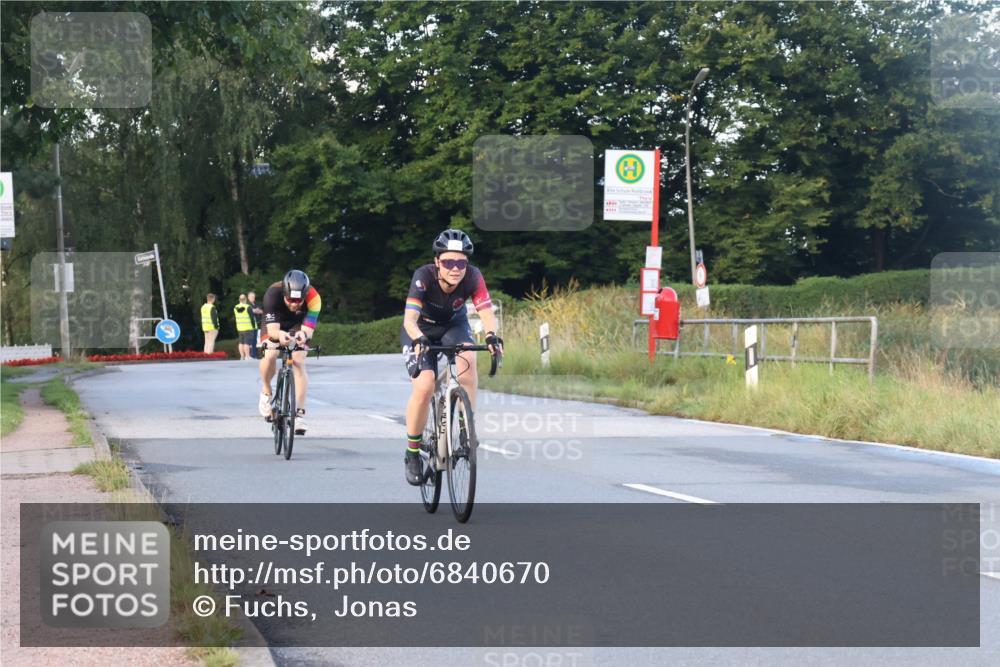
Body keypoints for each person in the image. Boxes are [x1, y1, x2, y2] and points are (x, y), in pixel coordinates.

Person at [401, 229, 502, 485]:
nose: (455, 269)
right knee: (424, 386)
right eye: (448, 262)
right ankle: (412, 452)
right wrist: (418, 338)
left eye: (461, 263)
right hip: (420, 330)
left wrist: (492, 335)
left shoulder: (473, 276)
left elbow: (487, 313)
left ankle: (466, 427)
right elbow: (409, 320)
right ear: (437, 262)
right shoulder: (423, 276)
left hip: (453, 327)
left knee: (468, 358)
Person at [257, 270, 321, 436]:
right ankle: (266, 391)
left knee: (299, 360)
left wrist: (303, 335)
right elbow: (272, 331)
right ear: (284, 293)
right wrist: (279, 336)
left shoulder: (314, 298)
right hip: (275, 322)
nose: (294, 304)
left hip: (298, 324)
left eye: (298, 301)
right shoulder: (273, 293)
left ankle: (298, 414)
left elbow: (308, 330)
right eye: (290, 300)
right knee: (270, 354)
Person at [233, 294, 256, 360]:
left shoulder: (235, 307)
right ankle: (247, 356)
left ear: (239, 300)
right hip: (247, 327)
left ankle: (242, 356)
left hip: (239, 327)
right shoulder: (248, 307)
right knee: (246, 342)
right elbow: (251, 318)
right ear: (245, 299)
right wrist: (253, 326)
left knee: (241, 342)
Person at [247, 291, 264, 359]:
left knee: (255, 341)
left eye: (254, 297)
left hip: (256, 324)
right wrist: (256, 310)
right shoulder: (247, 304)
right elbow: (253, 311)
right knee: (250, 341)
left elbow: (262, 311)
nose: (253, 298)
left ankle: (254, 355)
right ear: (248, 297)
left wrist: (256, 310)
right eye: (251, 297)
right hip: (250, 325)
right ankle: (251, 355)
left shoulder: (256, 304)